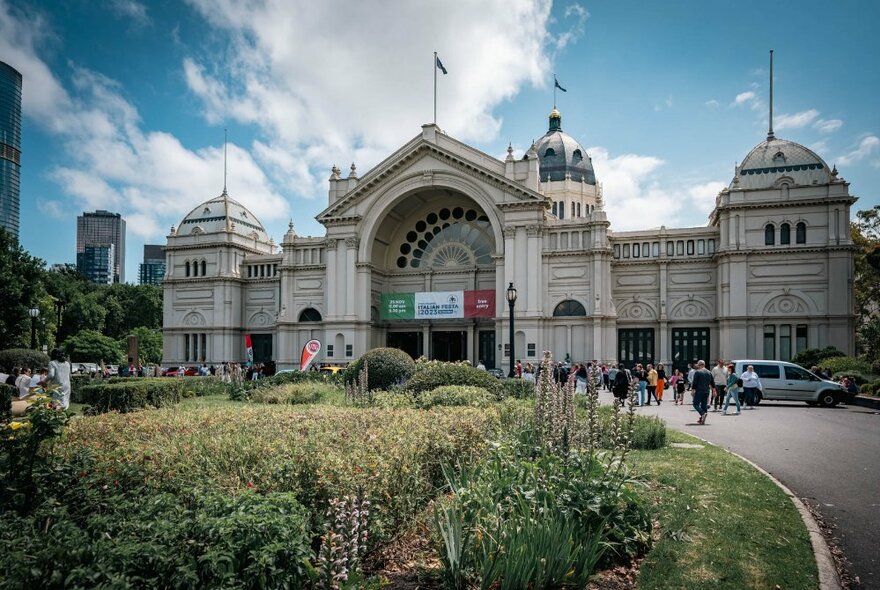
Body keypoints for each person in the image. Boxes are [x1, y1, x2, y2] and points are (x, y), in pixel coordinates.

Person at [691, 360, 713, 424]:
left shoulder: (697, 372)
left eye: (698, 365)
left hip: (699, 391)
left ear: (700, 365)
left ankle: (703, 413)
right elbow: (712, 382)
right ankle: (702, 419)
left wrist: (693, 390)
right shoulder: (709, 372)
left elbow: (695, 382)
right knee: (704, 405)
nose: (697, 366)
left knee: (695, 404)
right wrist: (714, 390)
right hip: (706, 391)